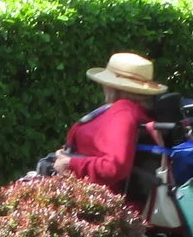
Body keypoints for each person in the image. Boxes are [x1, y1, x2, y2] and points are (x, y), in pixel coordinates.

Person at [57, 51, 166, 192]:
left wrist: (70, 163)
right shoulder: (131, 110)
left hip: (102, 203)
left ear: (111, 86)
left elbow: (115, 166)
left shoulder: (123, 113)